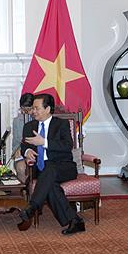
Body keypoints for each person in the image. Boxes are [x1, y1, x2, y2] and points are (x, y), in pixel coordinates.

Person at [17, 93, 84, 235]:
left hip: (64, 167)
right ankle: (75, 220)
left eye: (37, 108)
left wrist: (44, 142)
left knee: (50, 169)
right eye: (33, 108)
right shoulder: (29, 126)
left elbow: (67, 146)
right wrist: (27, 151)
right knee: (51, 184)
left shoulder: (61, 124)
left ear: (47, 109)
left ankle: (32, 206)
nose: (33, 111)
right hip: (41, 171)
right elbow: (24, 146)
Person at [12, 93, 34, 183]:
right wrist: (15, 151)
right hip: (22, 155)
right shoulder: (17, 121)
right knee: (21, 167)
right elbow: (15, 143)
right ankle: (24, 190)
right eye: (23, 109)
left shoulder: (40, 118)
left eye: (28, 110)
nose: (25, 112)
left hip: (36, 153)